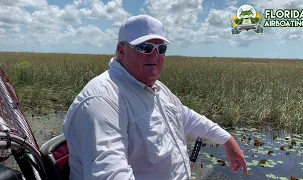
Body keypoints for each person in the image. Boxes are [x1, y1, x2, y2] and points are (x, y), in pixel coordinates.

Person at [62, 14, 248, 180]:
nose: (155, 55)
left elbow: (186, 117)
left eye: (161, 49)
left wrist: (227, 140)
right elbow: (110, 174)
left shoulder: (156, 88)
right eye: (145, 47)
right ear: (121, 51)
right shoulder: (102, 99)